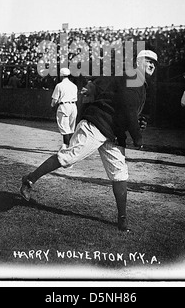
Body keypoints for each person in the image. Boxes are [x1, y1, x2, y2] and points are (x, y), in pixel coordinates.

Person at [20, 49, 158, 232]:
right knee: (69, 157)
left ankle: (122, 218)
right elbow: (126, 105)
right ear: (138, 61)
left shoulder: (137, 80)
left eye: (154, 64)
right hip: (98, 124)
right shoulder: (133, 75)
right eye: (148, 61)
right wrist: (137, 136)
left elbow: (125, 106)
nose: (151, 65)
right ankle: (29, 180)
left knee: (120, 173)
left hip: (114, 132)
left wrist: (136, 122)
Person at [51, 67, 78, 148]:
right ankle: (70, 146)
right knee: (71, 128)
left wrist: (52, 105)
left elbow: (54, 100)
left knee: (64, 128)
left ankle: (65, 146)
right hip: (73, 106)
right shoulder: (74, 85)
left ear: (61, 75)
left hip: (64, 106)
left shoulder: (59, 85)